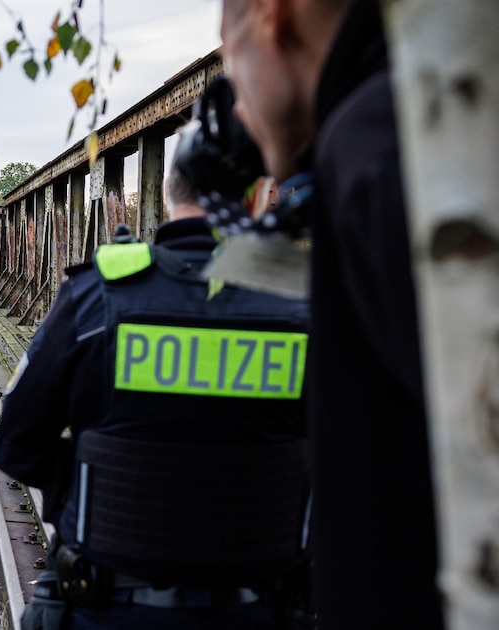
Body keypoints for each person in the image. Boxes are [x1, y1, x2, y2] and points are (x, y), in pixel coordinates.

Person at [0, 159, 311, 628]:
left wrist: (94, 478)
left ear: (165, 192)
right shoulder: (301, 307)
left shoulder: (97, 296)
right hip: (258, 609)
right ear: (257, 197)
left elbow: (16, 444)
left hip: (111, 607)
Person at [218, 0, 443, 626]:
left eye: (233, 73)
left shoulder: (374, 146)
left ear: (273, 19)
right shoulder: (413, 120)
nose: (239, 109)